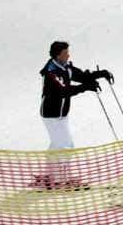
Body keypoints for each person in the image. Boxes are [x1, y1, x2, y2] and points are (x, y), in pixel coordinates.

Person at [37, 42, 110, 189]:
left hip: (61, 114)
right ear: (58, 55)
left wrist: (100, 74)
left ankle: (50, 176)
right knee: (66, 146)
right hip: (52, 115)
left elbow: (81, 76)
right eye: (65, 53)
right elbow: (64, 91)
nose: (68, 55)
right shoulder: (51, 72)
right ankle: (59, 181)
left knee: (57, 145)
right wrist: (86, 87)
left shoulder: (65, 67)